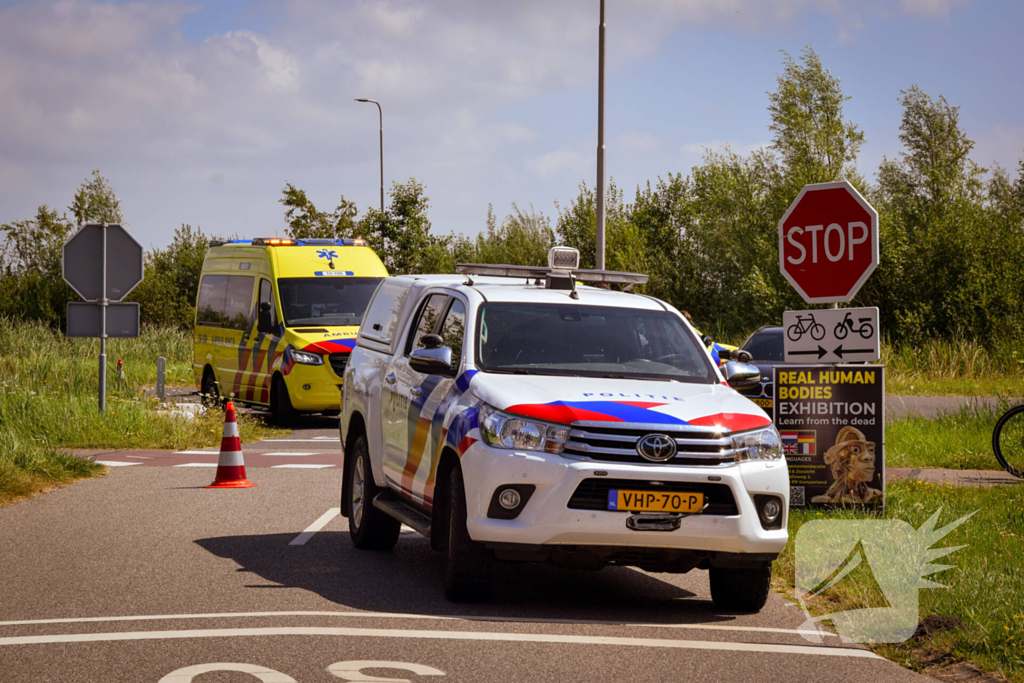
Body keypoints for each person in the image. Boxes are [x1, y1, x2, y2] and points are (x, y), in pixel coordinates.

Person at [811, 426, 883, 504]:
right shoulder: (825, 500)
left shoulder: (877, 496)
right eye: (856, 450)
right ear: (841, 458)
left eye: (871, 450)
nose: (868, 457)